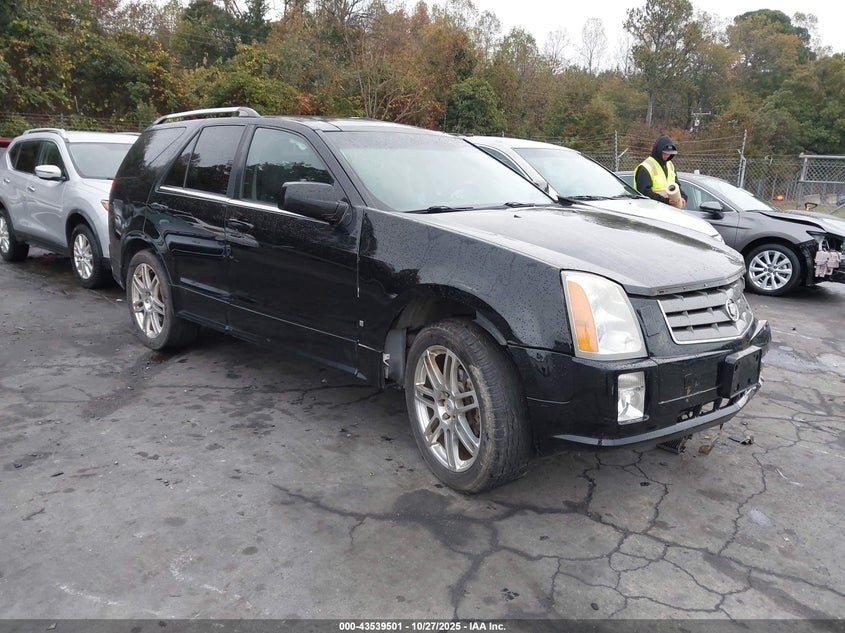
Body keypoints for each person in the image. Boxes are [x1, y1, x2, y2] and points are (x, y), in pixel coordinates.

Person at [634, 134, 686, 208]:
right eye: (665, 153)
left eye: (669, 153)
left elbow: (676, 186)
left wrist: (683, 197)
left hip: (668, 210)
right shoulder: (645, 167)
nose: (667, 155)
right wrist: (666, 201)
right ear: (658, 151)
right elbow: (644, 193)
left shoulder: (670, 165)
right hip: (649, 210)